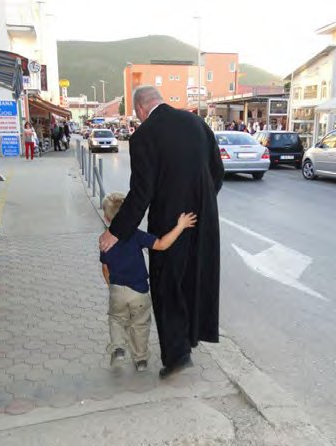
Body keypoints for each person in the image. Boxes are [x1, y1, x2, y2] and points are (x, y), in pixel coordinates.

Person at [99, 85, 224, 379]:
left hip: (169, 225)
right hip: (202, 220)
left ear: (141, 109)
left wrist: (115, 232)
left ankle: (178, 355)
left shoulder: (144, 135)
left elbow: (142, 193)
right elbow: (216, 173)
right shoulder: (197, 123)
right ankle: (190, 341)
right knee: (195, 280)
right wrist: (201, 204)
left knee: (168, 286)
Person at [100, 192, 197, 372]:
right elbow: (161, 244)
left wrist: (112, 286)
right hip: (139, 292)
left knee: (116, 319)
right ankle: (141, 359)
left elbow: (105, 269)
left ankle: (119, 348)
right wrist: (180, 226)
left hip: (116, 291)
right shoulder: (137, 236)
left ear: (106, 218)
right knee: (140, 324)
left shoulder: (105, 240)